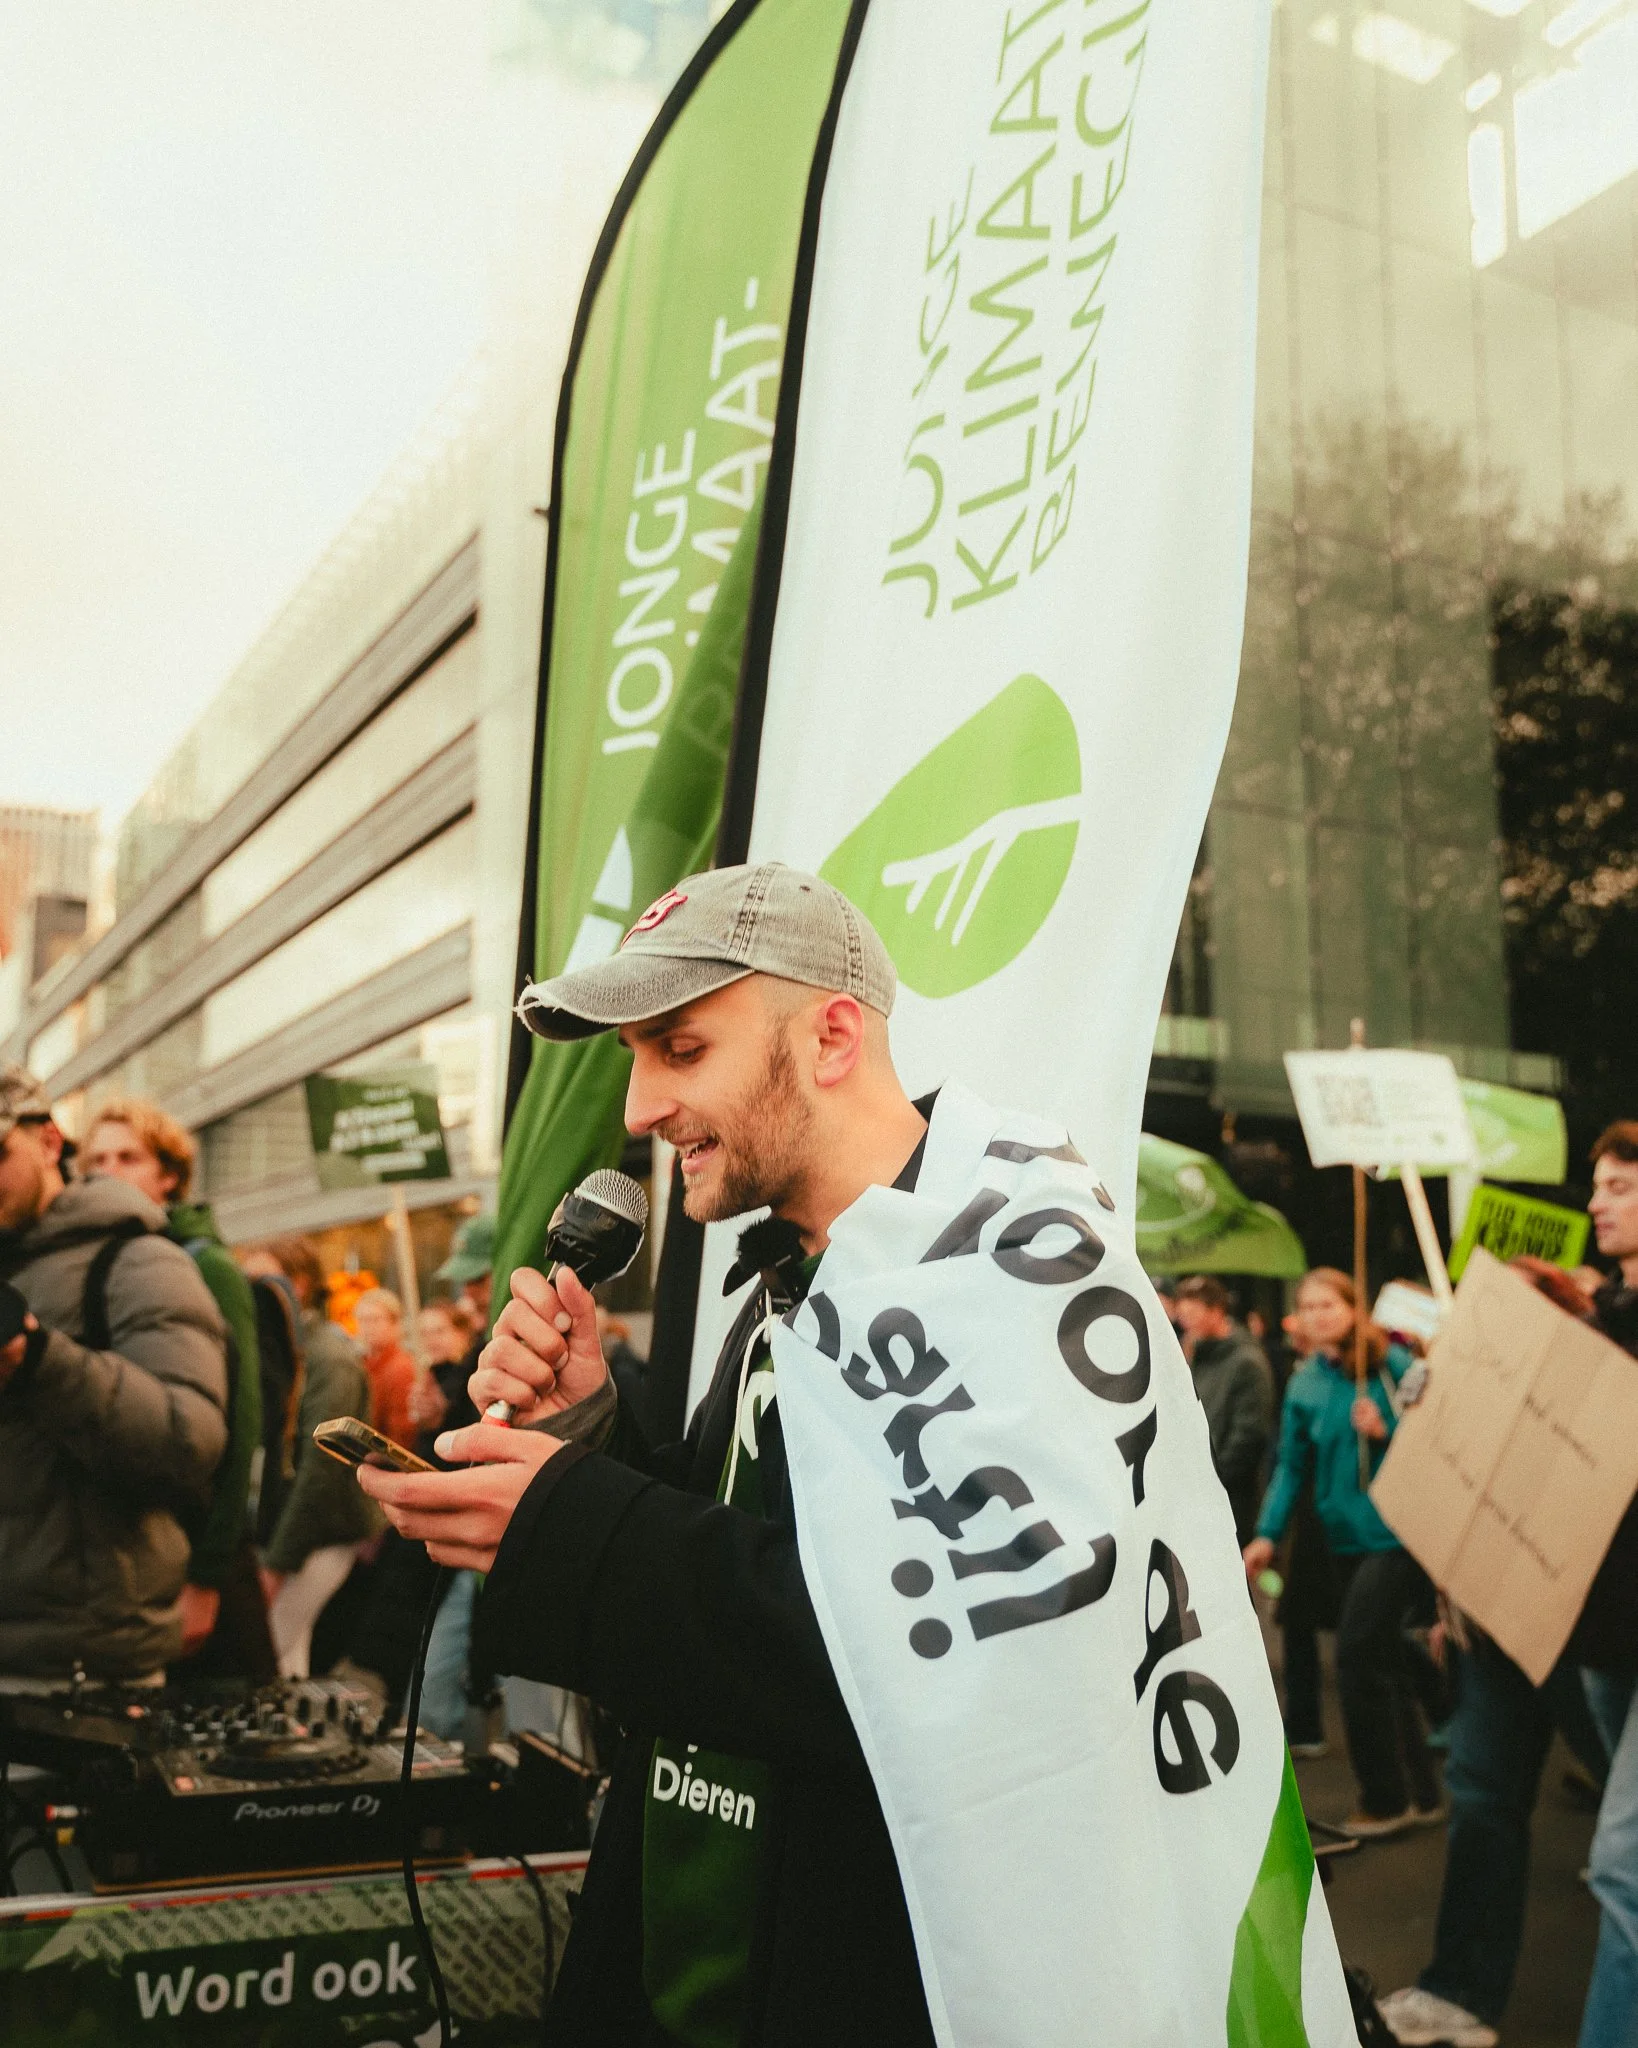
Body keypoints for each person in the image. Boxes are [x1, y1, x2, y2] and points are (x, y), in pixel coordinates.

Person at [355, 866, 1349, 2048]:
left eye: (681, 1048)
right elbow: (764, 1540)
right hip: (701, 1934)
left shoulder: (1015, 1269)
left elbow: (959, 1660)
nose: (640, 1106)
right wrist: (594, 1428)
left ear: (832, 1037)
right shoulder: (791, 1273)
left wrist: (579, 1522)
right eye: (636, 1057)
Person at [1377, 1126, 1638, 2048]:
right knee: (1486, 1796)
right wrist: (1439, 1399)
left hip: (1596, 1624)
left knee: (1622, 1856)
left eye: (1621, 1185)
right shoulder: (1590, 1327)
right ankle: (1461, 1991)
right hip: (1520, 1623)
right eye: (1597, 1184)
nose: (1598, 1201)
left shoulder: (1601, 1345)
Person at [0, 1065, 227, 1677]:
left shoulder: (139, 1261)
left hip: (78, 1665)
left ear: (48, 1141)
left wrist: (36, 1362)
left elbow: (190, 1442)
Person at [81, 1098, 274, 1680]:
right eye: (97, 1160)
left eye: (128, 1157)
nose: (109, 1171)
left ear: (168, 1175)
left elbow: (241, 1423)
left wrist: (207, 1576)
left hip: (200, 1546)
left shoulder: (206, 1265)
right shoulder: (97, 1258)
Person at [1244, 1266, 1441, 1837]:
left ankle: (1384, 1798)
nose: (1317, 1316)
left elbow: (1439, 1436)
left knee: (1355, 1656)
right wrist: (1266, 1533)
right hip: (1343, 1538)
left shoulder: (1393, 1364)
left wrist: (1387, 1430)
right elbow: (1290, 1466)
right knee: (1385, 1662)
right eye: (1307, 1307)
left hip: (1395, 1535)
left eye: (1328, 1304)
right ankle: (1422, 1794)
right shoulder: (1304, 1382)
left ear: (1354, 1307)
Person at [242, 1235, 380, 1678]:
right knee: (287, 1657)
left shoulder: (327, 1357)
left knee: (270, 1652)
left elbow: (321, 1471)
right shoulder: (294, 1350)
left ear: (298, 1284)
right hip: (303, 1531)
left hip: (322, 1534)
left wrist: (277, 1563)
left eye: (260, 1280)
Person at [1172, 1275, 1274, 1544]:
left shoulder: (1246, 1361)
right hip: (1196, 1493)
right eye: (1181, 1315)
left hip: (1232, 1498)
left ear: (1216, 1311)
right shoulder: (1196, 1356)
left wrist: (1209, 1479)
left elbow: (1249, 1438)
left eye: (1192, 1313)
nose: (1186, 1322)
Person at [353, 1285, 418, 1450]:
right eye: (362, 1320)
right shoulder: (361, 1364)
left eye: (375, 1319)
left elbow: (401, 1434)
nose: (368, 1327)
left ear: (395, 1324)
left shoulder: (401, 1368)